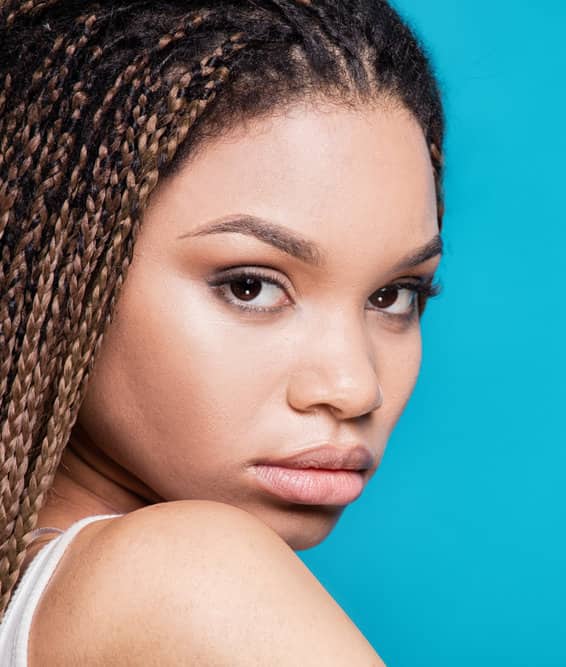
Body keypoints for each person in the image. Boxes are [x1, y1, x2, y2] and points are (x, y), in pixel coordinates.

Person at [0, 0, 445, 663]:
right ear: (57, 265)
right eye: (251, 285)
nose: (354, 387)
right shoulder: (186, 575)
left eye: (393, 295)